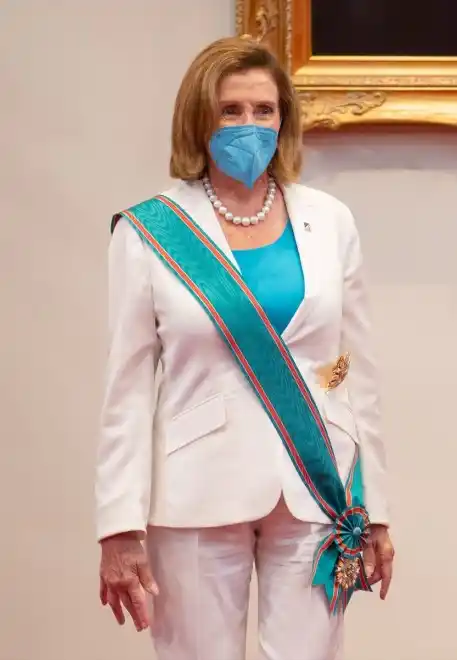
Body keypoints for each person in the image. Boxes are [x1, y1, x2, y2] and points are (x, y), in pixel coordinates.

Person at [95, 36, 394, 660]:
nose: (250, 125)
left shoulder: (330, 220)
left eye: (265, 110)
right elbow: (124, 392)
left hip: (317, 489)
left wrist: (377, 508)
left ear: (284, 118)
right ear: (199, 118)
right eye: (231, 111)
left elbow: (357, 374)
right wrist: (118, 525)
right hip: (196, 493)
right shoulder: (149, 231)